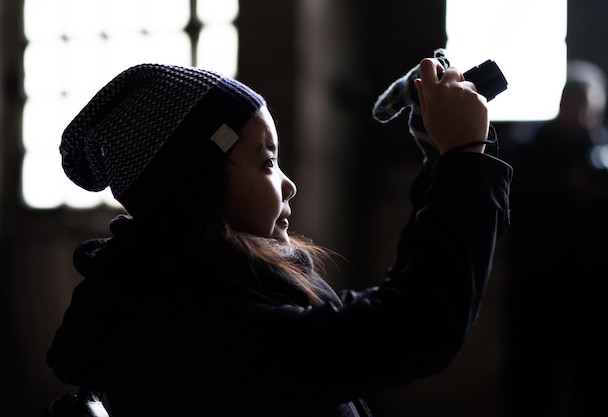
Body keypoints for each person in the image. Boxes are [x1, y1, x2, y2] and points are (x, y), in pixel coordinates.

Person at [45, 53, 512, 417]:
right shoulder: (186, 326)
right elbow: (412, 326)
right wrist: (462, 160)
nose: (289, 184)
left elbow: (385, 315)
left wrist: (440, 164)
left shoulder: (204, 283)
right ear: (198, 184)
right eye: (267, 162)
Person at [500, 60, 608, 417]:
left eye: (591, 111)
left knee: (597, 386)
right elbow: (511, 209)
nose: (584, 119)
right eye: (577, 109)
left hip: (600, 293)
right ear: (561, 103)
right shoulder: (527, 149)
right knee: (530, 385)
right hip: (539, 289)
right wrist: (563, 189)